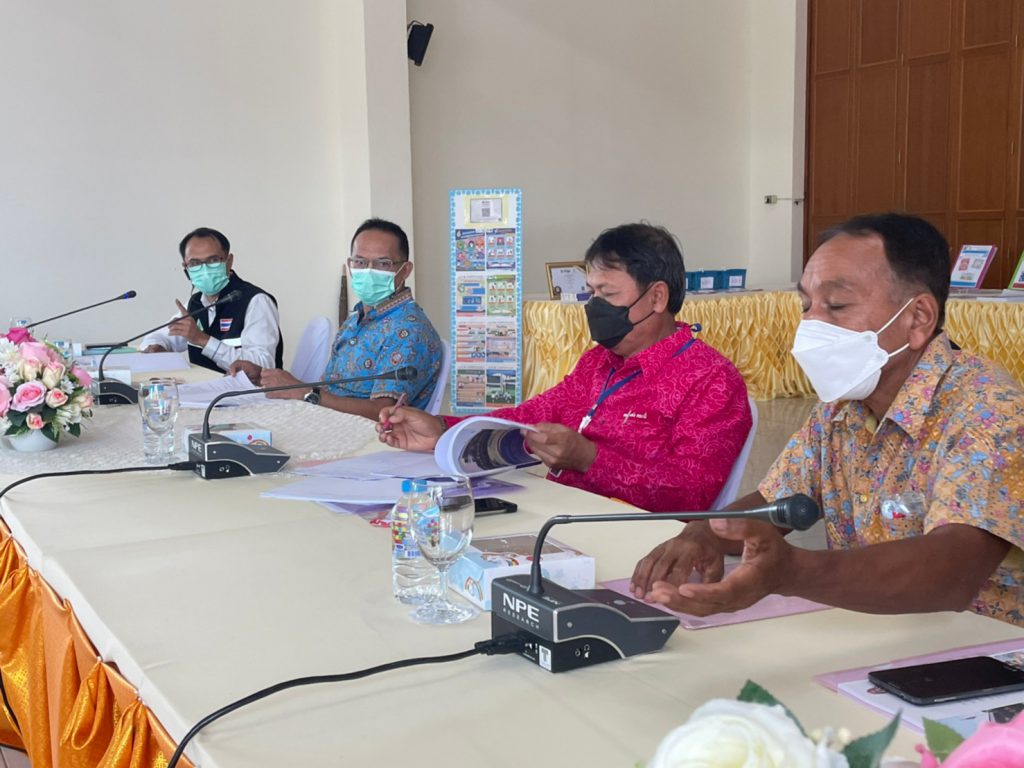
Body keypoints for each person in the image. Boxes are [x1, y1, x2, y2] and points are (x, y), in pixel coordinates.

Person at [631, 213, 1024, 626]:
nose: (812, 324)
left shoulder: (990, 411)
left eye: (836, 305)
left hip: (986, 647)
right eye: (806, 305)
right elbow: (776, 501)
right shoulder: (841, 406)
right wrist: (703, 534)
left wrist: (793, 572)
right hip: (874, 631)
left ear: (918, 318)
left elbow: (953, 570)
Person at [378, 222, 752, 513]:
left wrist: (590, 460)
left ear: (656, 297)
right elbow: (529, 416)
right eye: (592, 292)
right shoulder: (599, 362)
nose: (594, 306)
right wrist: (443, 429)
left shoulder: (711, 380)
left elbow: (691, 494)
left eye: (608, 293)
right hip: (562, 515)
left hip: (639, 539)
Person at [231, 218, 442, 421]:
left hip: (368, 438)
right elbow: (331, 390)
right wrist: (264, 377)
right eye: (360, 262)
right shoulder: (357, 318)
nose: (368, 271)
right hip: (325, 422)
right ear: (350, 265)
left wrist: (304, 392)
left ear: (405, 270)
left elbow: (383, 412)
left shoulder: (408, 330)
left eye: (383, 264)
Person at [142, 227, 283, 372]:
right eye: (195, 263)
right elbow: (158, 337)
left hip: (247, 387)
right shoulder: (195, 304)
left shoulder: (256, 301)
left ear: (229, 261)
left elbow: (263, 365)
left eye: (213, 260)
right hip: (205, 385)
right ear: (186, 268)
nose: (205, 269)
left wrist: (203, 340)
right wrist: (157, 347)